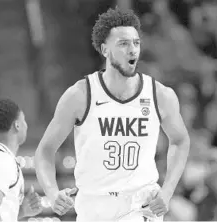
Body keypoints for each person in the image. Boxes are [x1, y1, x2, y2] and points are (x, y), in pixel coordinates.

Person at [35, 7, 190, 222]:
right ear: (104, 50)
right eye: (123, 43)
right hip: (94, 206)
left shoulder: (160, 95)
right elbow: (44, 151)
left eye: (136, 43)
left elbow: (181, 141)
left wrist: (167, 191)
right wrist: (52, 193)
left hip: (140, 205)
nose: (133, 50)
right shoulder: (80, 95)